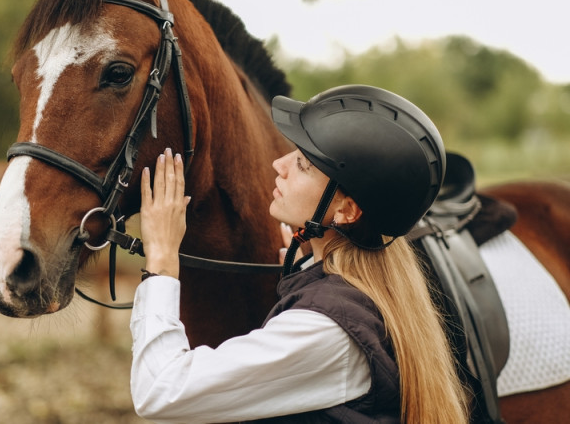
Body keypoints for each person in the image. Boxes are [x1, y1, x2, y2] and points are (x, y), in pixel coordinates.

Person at [131, 85, 469, 423]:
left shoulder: (327, 330)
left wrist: (161, 259)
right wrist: (302, 279)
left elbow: (161, 392)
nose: (279, 164)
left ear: (346, 211)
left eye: (304, 165)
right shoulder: (358, 295)